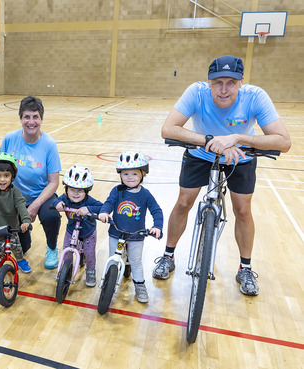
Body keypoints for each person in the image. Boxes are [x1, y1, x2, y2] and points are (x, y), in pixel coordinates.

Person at [155, 55, 291, 296]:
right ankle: (168, 255)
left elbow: (283, 141)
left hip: (241, 156)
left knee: (242, 210)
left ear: (241, 83)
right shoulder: (196, 93)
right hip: (201, 154)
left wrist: (237, 138)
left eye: (231, 82)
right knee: (184, 202)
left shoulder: (256, 96)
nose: (224, 89)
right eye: (218, 82)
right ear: (209, 82)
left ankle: (245, 268)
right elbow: (168, 128)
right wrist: (210, 141)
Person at [0, 96, 62, 269]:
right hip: (15, 197)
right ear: (21, 118)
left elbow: (53, 182)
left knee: (51, 216)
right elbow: (0, 173)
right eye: (27, 117)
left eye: (35, 117)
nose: (31, 121)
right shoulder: (9, 139)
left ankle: (51, 248)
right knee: (23, 248)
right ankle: (20, 234)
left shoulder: (49, 144)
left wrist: (34, 207)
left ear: (41, 119)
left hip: (41, 195)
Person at [99, 152, 163, 303]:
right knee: (112, 258)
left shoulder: (145, 194)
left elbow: (156, 210)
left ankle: (140, 285)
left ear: (143, 175)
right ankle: (108, 281)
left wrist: (157, 226)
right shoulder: (117, 191)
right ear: (120, 175)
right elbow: (109, 202)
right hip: (116, 232)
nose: (130, 177)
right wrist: (104, 212)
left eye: (134, 173)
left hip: (136, 235)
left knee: (135, 261)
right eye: (125, 173)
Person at [0, 153, 32, 285]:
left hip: (11, 230)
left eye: (6, 176)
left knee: (18, 249)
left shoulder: (15, 191)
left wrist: (26, 220)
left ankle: (20, 261)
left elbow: (21, 205)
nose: (2, 180)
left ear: (12, 176)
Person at [52, 165, 103, 287]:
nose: (75, 193)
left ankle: (90, 271)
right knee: (66, 250)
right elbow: (55, 200)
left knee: (89, 252)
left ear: (86, 191)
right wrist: (57, 204)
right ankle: (66, 268)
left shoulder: (89, 201)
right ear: (66, 190)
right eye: (72, 190)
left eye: (80, 190)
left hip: (88, 231)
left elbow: (102, 207)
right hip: (71, 230)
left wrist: (88, 209)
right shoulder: (65, 198)